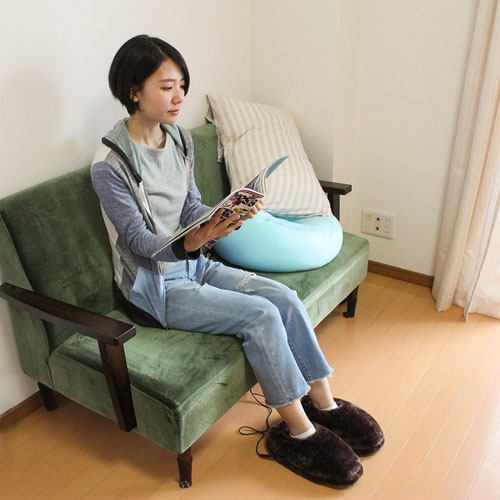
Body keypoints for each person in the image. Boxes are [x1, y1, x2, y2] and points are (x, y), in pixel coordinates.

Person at [91, 34, 383, 488]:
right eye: (167, 87)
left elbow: (190, 206)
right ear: (133, 91)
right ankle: (298, 433)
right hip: (156, 287)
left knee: (283, 297)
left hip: (196, 265)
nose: (179, 97)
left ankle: (324, 405)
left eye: (182, 85)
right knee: (260, 315)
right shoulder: (110, 165)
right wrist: (192, 242)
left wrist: (223, 216)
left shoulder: (179, 139)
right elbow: (138, 241)